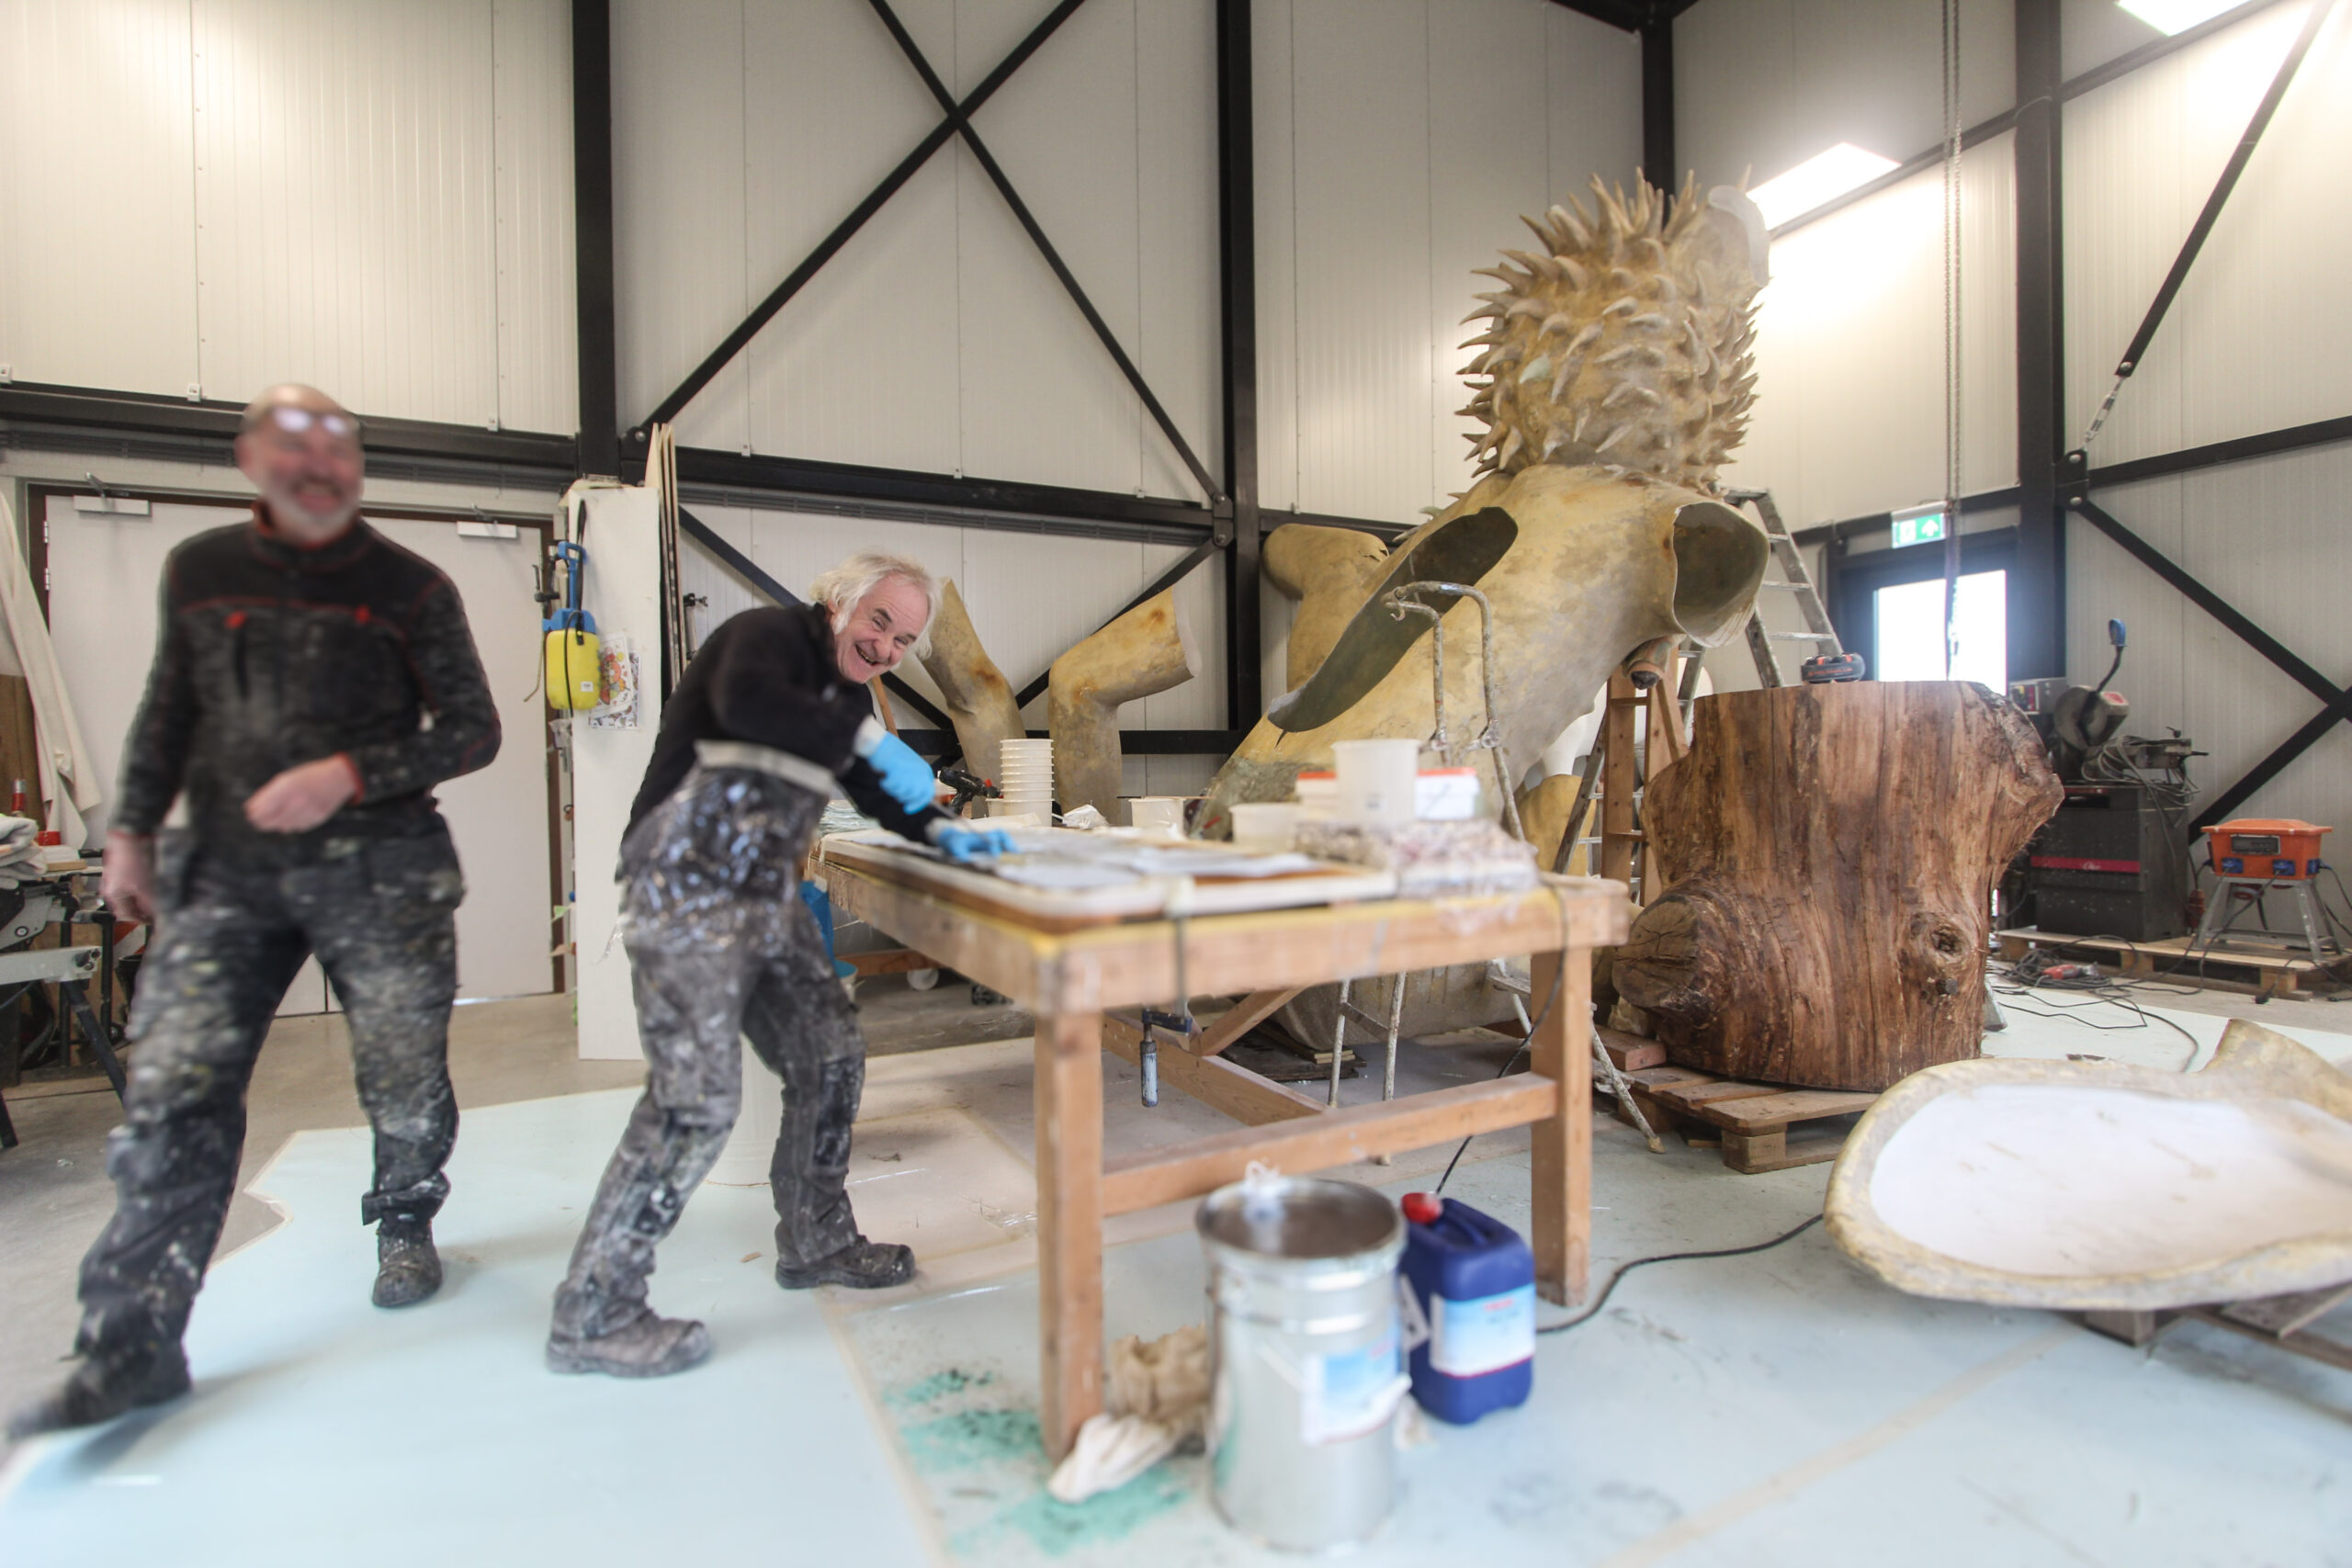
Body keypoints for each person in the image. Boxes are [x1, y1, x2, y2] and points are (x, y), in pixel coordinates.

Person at [8, 384, 500, 1437]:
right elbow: (169, 708)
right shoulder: (201, 570)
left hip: (383, 868)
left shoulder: (412, 586)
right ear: (251, 459)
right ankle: (133, 1345)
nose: (319, 467)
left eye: (338, 448)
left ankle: (404, 1221)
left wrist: (348, 775)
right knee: (176, 1091)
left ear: (356, 465)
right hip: (230, 871)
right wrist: (131, 830)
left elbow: (472, 730)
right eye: (295, 447)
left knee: (403, 1070)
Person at [547, 552, 1010, 1378]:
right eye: (879, 622)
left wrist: (945, 834)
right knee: (696, 1101)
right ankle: (594, 1311)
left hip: (763, 890)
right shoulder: (760, 640)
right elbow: (751, 707)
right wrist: (865, 742)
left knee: (830, 1055)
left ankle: (816, 1240)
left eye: (904, 640)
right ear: (839, 603)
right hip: (684, 881)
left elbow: (873, 790)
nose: (886, 648)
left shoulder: (848, 695)